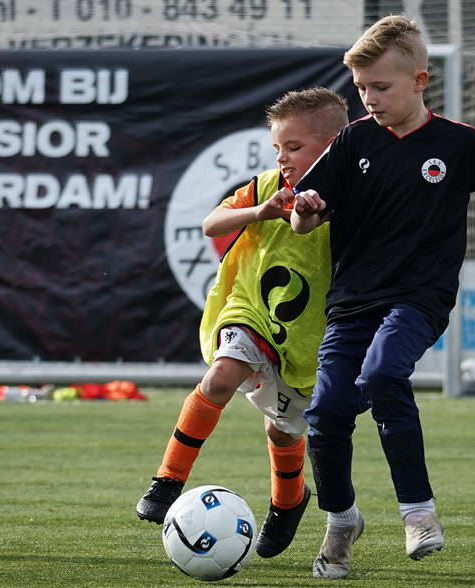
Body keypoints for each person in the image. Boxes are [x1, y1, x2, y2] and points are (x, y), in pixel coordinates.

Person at [290, 16, 475, 579]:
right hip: (351, 302)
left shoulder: (459, 142)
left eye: (381, 87)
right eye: (360, 89)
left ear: (421, 80)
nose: (368, 99)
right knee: (325, 414)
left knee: (382, 375)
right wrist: (304, 212)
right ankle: (341, 519)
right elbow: (309, 217)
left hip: (419, 298)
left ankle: (418, 512)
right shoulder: (353, 141)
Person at [136, 88, 349, 559]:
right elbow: (213, 223)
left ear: (335, 145)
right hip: (250, 310)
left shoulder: (355, 197)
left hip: (311, 337)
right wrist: (259, 211)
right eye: (278, 148)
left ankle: (288, 502)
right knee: (220, 377)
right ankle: (167, 481)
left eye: (294, 147)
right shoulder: (266, 186)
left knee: (284, 431)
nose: (283, 157)